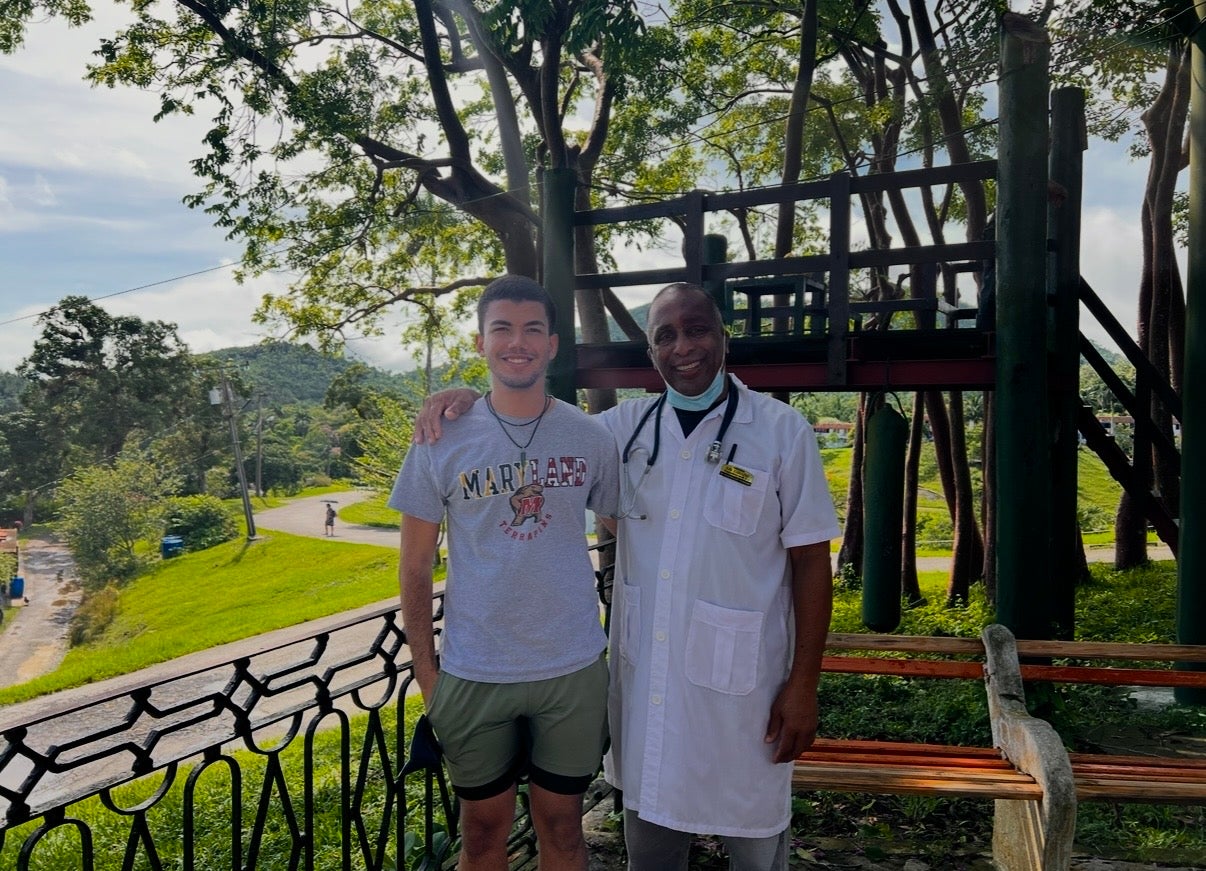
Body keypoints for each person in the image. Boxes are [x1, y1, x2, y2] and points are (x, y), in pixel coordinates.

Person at [415, 282, 841, 871]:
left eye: (697, 330)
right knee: (652, 842)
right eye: (665, 335)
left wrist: (802, 686)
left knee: (755, 840)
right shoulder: (621, 432)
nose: (683, 346)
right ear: (651, 353)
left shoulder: (780, 432)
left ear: (723, 338)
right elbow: (535, 420)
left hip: (747, 691)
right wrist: (466, 397)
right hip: (649, 687)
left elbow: (811, 563)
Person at [391, 275, 619, 871]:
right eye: (502, 329)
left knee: (564, 828)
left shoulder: (592, 436)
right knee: (482, 834)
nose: (516, 342)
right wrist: (426, 674)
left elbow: (627, 529)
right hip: (474, 668)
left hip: (572, 665)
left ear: (552, 346)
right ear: (480, 341)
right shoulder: (439, 438)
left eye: (532, 330)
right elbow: (414, 567)